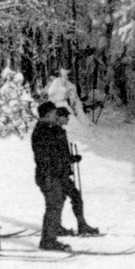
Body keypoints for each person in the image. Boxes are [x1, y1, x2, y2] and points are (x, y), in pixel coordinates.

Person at [31, 101, 73, 251]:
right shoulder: (42, 131)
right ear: (48, 114)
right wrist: (51, 174)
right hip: (47, 175)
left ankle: (51, 236)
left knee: (56, 204)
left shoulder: (50, 129)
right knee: (53, 205)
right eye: (55, 113)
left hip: (53, 174)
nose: (57, 116)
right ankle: (48, 240)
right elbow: (45, 157)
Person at [56, 106, 100, 235]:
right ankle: (79, 225)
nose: (68, 119)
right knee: (70, 198)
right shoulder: (56, 132)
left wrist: (71, 159)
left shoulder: (60, 132)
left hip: (62, 172)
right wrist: (71, 159)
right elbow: (58, 155)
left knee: (66, 199)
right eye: (66, 117)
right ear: (59, 117)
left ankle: (72, 225)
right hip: (58, 173)